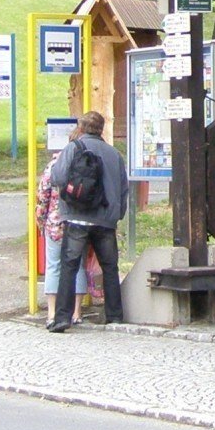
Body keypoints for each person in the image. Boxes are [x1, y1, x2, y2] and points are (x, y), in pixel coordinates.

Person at [45, 109, 126, 331]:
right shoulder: (113, 154)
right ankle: (115, 316)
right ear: (102, 129)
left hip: (76, 216)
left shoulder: (73, 148)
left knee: (69, 267)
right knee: (110, 267)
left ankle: (62, 318)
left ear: (81, 128)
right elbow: (123, 189)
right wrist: (116, 215)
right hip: (105, 220)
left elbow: (57, 177)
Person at [35, 168, 88, 325]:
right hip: (78, 223)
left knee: (53, 266)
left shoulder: (52, 167)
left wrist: (41, 221)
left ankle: (52, 313)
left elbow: (43, 198)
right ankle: (77, 312)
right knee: (78, 266)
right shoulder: (81, 164)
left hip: (55, 224)